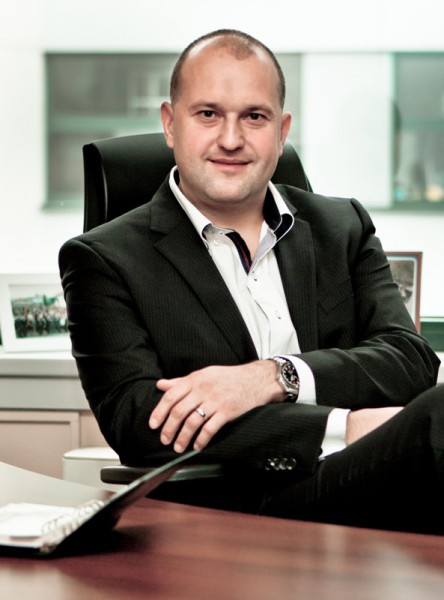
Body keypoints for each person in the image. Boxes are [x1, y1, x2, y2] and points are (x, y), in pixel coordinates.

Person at [59, 29, 443, 534]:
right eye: (208, 114)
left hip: (369, 485)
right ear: (170, 123)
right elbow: (140, 423)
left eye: (254, 117)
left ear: (282, 132)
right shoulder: (103, 260)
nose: (231, 139)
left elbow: (409, 361)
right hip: (232, 507)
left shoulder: (341, 226)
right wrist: (342, 426)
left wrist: (273, 377)